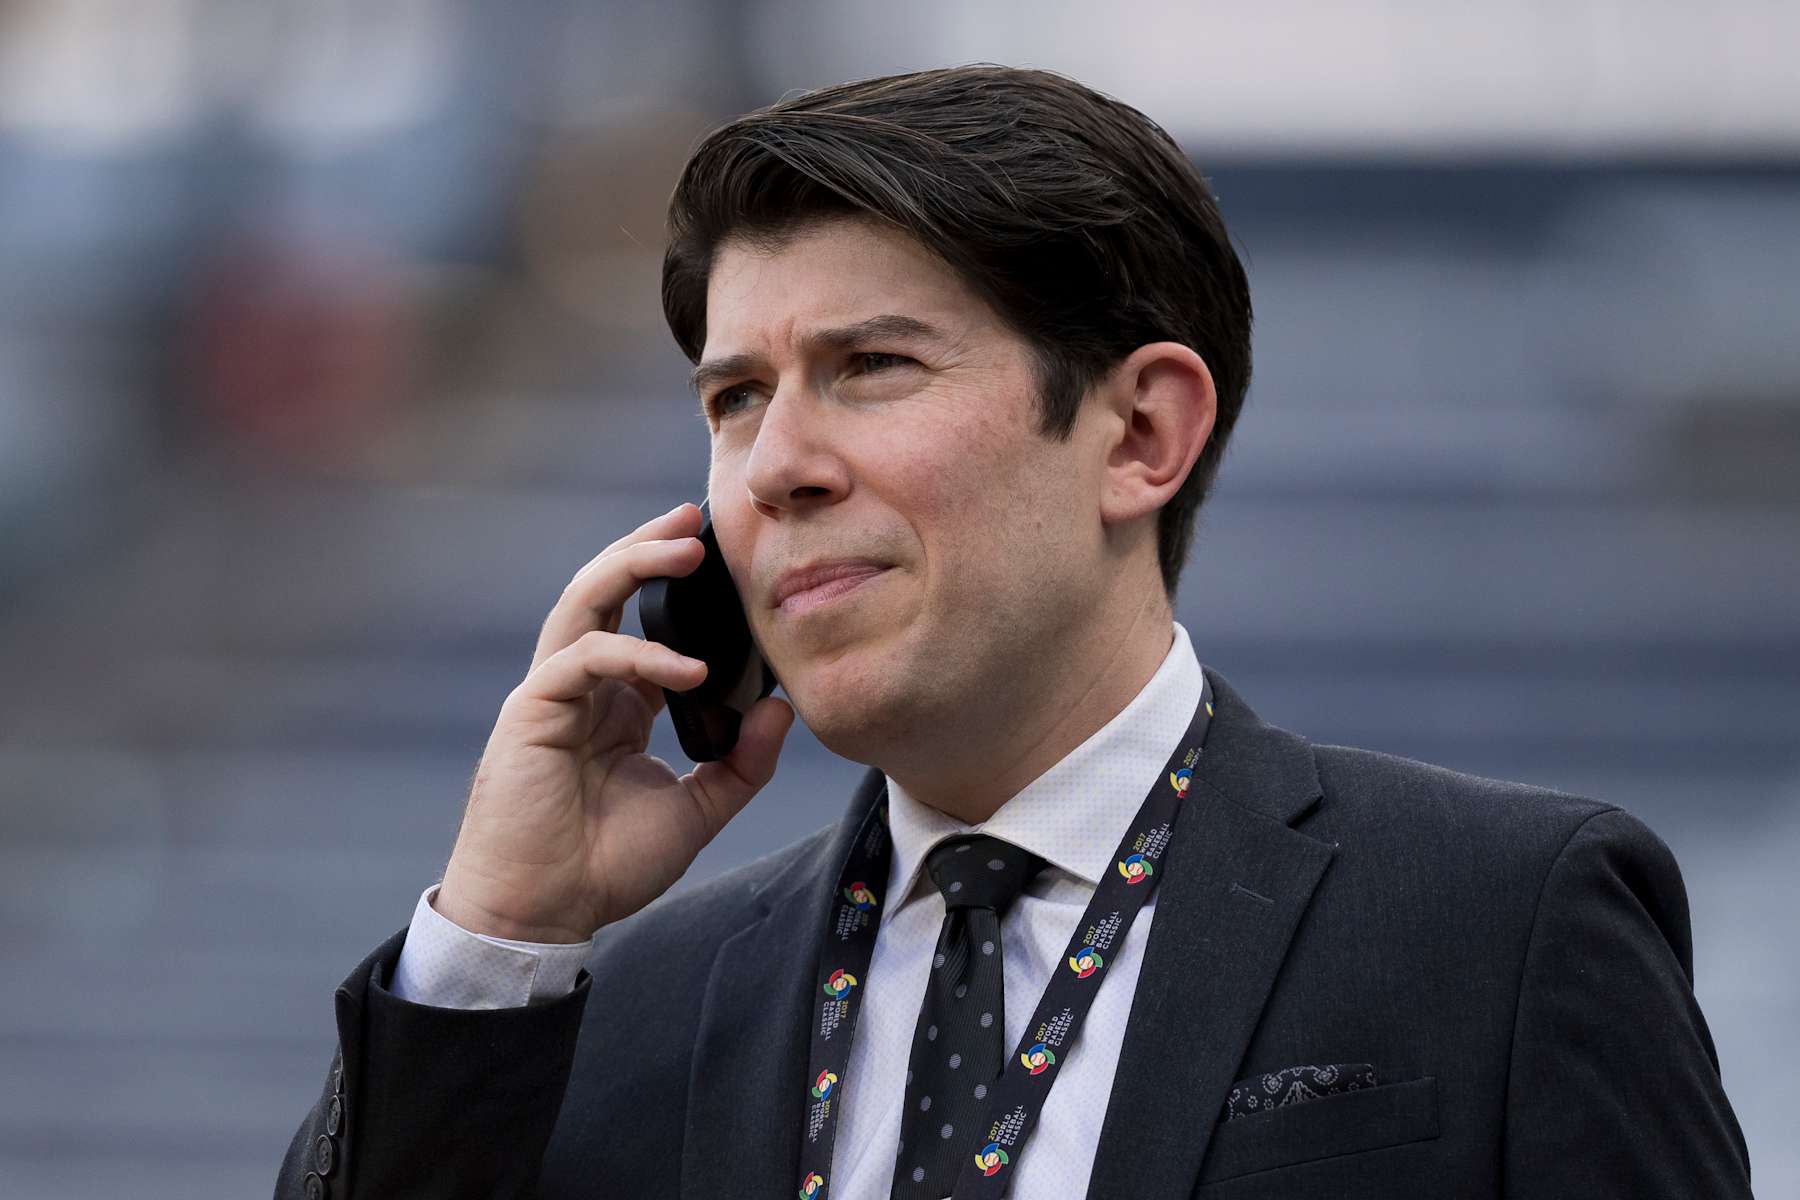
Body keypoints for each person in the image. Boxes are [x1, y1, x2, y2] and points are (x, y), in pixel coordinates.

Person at [276, 65, 1751, 1199]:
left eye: (869, 367)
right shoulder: (619, 1005)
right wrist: (497, 942)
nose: (776, 463)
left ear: (1139, 433)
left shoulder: (1500, 923)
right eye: (735, 398)